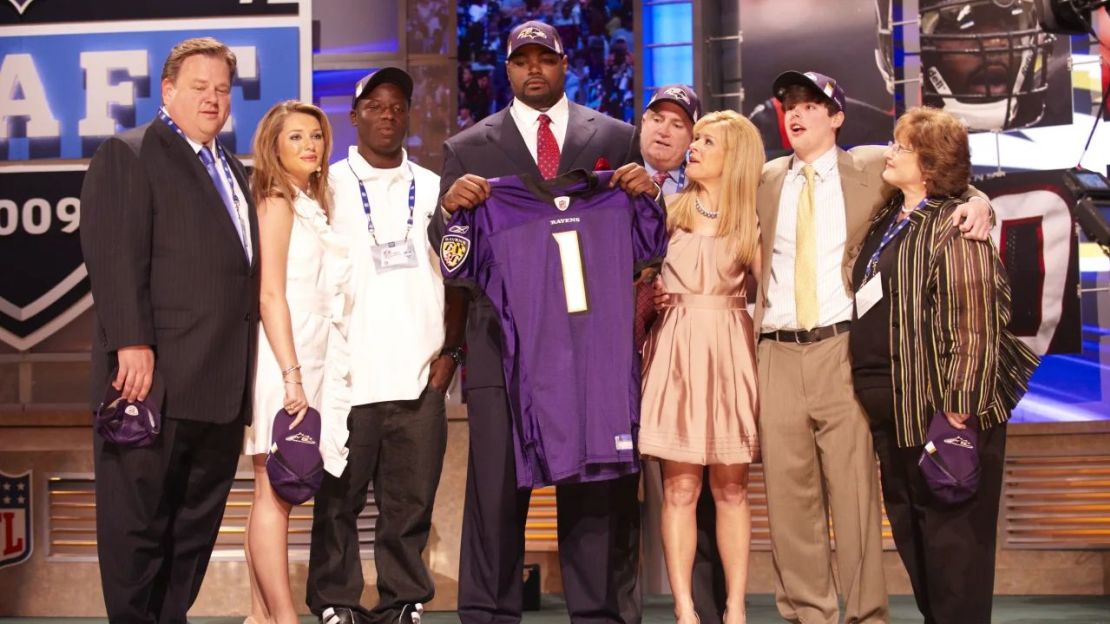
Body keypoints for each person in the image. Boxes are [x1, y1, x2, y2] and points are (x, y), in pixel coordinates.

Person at [430, 20, 657, 624]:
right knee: (497, 490)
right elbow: (453, 258)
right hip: (499, 342)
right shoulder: (467, 148)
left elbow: (641, 247)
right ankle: (487, 612)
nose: (534, 69)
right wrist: (449, 211)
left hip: (587, 345)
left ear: (565, 66)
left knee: (591, 485)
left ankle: (598, 612)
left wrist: (646, 194)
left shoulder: (614, 136)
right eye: (521, 60)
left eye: (546, 59)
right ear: (506, 70)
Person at [750, 70, 993, 624]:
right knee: (789, 500)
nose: (797, 112)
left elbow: (941, 172)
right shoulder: (764, 178)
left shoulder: (869, 168)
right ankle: (810, 613)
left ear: (836, 116)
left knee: (856, 494)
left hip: (842, 349)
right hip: (777, 351)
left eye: (812, 104)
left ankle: (865, 615)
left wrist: (981, 202)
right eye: (789, 103)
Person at [79, 37, 259, 623]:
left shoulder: (232, 168)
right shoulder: (130, 153)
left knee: (193, 528)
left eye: (222, 89)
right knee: (139, 528)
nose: (213, 99)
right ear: (168, 90)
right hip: (151, 382)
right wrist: (132, 341)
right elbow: (113, 254)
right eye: (200, 87)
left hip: (219, 385)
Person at [849, 107, 1038, 624]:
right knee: (918, 543)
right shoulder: (890, 215)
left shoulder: (955, 224)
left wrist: (958, 409)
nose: (889, 152)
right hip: (895, 411)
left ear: (929, 165)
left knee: (955, 554)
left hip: (942, 413)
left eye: (902, 147)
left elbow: (974, 319)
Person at [306, 67, 465, 624]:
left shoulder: (431, 185)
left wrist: (450, 356)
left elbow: (459, 275)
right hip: (348, 373)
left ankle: (403, 600)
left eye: (398, 107)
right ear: (354, 117)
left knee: (409, 503)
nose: (387, 116)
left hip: (419, 374)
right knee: (339, 502)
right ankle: (335, 601)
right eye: (375, 106)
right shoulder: (325, 184)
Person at [639, 111, 764, 624]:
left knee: (732, 488)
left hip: (731, 349)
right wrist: (651, 290)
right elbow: (633, 277)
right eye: (698, 140)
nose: (693, 147)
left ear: (732, 157)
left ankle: (735, 608)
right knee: (679, 487)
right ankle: (685, 610)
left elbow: (773, 290)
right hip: (676, 351)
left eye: (707, 142)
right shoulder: (664, 210)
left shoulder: (753, 219)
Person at [242, 101, 349, 624]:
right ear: (274, 146)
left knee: (272, 492)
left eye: (316, 136)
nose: (310, 145)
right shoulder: (275, 200)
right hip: (283, 361)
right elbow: (270, 295)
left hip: (310, 358)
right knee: (276, 491)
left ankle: (261, 617)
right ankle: (284, 618)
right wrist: (291, 376)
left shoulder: (311, 201)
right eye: (296, 138)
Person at [635, 85, 728, 623]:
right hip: (625, 354)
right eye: (656, 118)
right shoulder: (613, 182)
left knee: (704, 490)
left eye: (678, 123)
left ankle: (707, 610)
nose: (665, 130)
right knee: (626, 496)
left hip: (695, 356)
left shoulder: (713, 190)